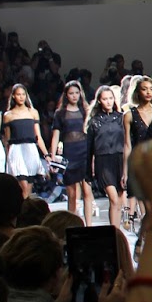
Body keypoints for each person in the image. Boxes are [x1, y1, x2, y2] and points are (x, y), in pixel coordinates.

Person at [50, 80, 94, 225]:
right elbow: (56, 135)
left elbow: (90, 133)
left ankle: (89, 225)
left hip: (84, 152)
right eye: (71, 93)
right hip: (69, 154)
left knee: (87, 191)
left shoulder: (85, 111)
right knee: (72, 193)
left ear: (80, 94)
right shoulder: (60, 113)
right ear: (66, 95)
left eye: (76, 93)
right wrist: (52, 157)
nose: (74, 96)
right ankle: (72, 226)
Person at [123, 76, 152, 228]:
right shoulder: (129, 115)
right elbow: (127, 145)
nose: (148, 92)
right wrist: (125, 171)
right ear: (137, 92)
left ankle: (143, 236)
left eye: (151, 89)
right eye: (144, 89)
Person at [87, 85, 127, 231]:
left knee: (119, 200)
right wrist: (88, 172)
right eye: (105, 99)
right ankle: (114, 232)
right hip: (103, 161)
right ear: (99, 101)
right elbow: (89, 148)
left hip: (120, 160)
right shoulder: (94, 121)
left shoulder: (121, 118)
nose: (108, 101)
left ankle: (117, 232)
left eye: (110, 98)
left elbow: (128, 141)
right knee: (114, 199)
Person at [2, 82, 51, 196]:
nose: (21, 97)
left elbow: (38, 137)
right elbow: (7, 140)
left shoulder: (33, 112)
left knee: (28, 187)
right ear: (13, 96)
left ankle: (25, 206)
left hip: (30, 150)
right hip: (16, 151)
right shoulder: (8, 115)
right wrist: (8, 158)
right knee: (23, 185)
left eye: (23, 94)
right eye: (18, 94)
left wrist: (46, 155)